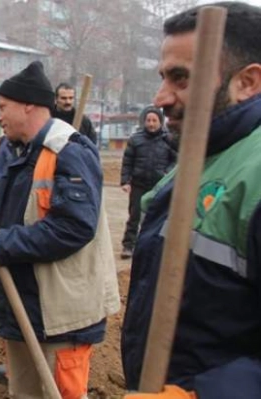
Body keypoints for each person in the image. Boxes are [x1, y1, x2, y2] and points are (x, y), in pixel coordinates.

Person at [0, 61, 120, 398]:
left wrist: (3, 243)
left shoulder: (69, 151)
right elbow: (1, 221)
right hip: (22, 303)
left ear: (28, 104)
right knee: (24, 393)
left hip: (61, 311)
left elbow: (73, 227)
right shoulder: (13, 153)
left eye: (2, 107)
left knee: (63, 393)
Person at [121, 3, 261, 397]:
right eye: (163, 77)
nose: (161, 97)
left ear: (247, 82)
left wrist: (204, 394)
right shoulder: (201, 160)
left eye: (181, 78)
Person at [119, 106, 176, 259]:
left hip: (159, 186)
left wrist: (166, 173)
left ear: (160, 122)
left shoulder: (168, 139)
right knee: (134, 216)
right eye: (148, 120)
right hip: (138, 184)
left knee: (158, 217)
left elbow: (175, 160)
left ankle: (153, 248)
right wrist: (125, 181)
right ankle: (128, 246)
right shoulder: (135, 139)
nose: (151, 124)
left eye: (154, 121)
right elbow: (127, 161)